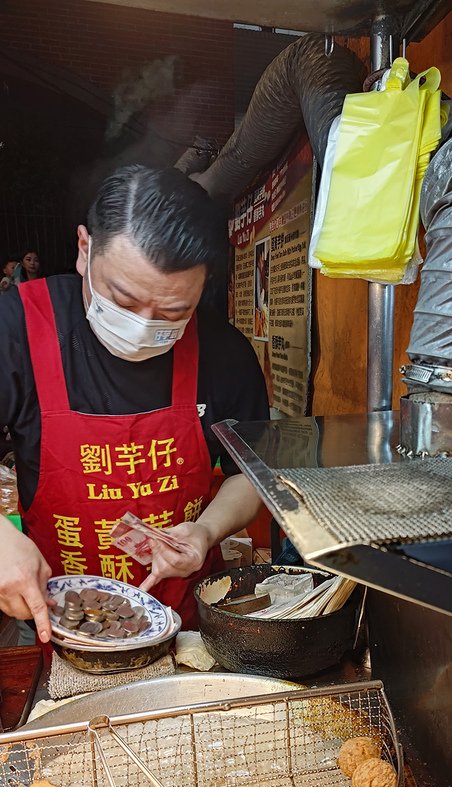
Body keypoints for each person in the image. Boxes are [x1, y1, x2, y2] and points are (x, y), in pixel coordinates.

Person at [0, 165, 268, 639]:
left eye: (172, 312)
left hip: (184, 616)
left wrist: (205, 532)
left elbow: (251, 474)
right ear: (85, 249)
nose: (144, 326)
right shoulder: (16, 328)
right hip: (54, 615)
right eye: (122, 298)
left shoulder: (224, 352)